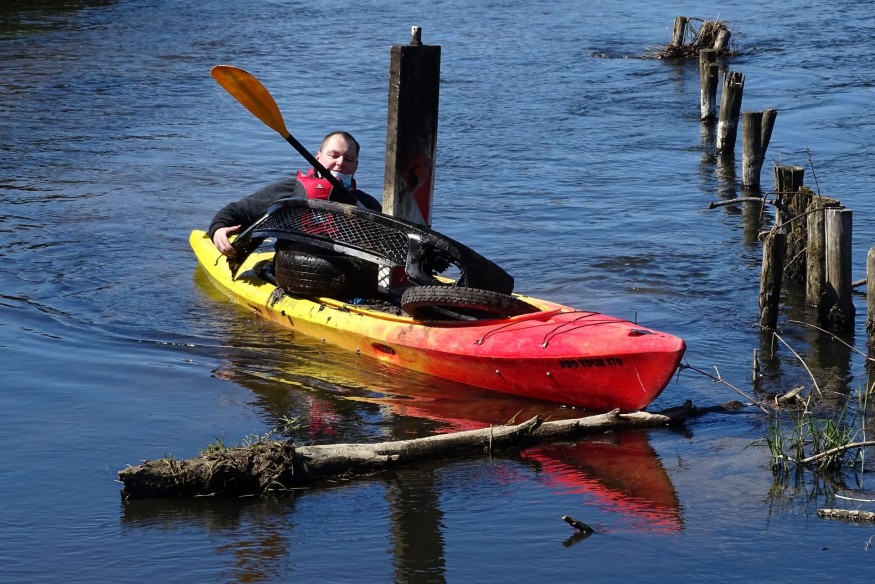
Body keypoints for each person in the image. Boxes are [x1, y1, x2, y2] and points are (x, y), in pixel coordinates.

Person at [208, 131, 381, 257]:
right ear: (318, 158)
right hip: (294, 268)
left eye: (348, 159)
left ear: (356, 165)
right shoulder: (291, 189)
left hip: (347, 273)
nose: (340, 163)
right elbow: (239, 211)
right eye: (333, 156)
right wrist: (218, 230)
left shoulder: (367, 203)